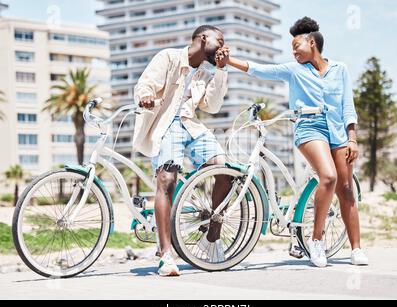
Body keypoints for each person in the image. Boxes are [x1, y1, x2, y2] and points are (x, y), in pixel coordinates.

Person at [224, 17, 369, 267]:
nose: (293, 51)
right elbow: (259, 69)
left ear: (312, 42)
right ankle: (316, 240)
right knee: (328, 177)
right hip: (309, 128)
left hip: (339, 133)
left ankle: (356, 248)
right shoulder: (294, 70)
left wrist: (352, 138)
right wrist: (229, 61)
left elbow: (348, 106)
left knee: (346, 190)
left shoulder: (340, 69)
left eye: (296, 45)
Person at [133, 25, 231, 276]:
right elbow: (145, 85)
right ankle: (166, 254)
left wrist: (221, 70)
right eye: (219, 40)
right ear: (202, 38)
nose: (222, 46)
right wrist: (145, 96)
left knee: (226, 171)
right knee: (166, 179)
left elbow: (212, 106)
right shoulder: (168, 57)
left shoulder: (207, 72)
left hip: (192, 126)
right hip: (167, 125)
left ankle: (211, 239)